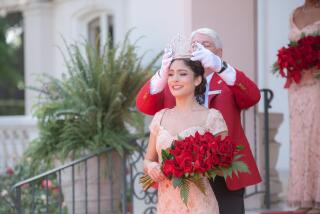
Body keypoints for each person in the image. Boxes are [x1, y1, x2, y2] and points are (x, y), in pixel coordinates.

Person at [136, 28, 262, 214]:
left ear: (219, 53)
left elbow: (252, 96)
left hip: (223, 173)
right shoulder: (176, 83)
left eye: (206, 45)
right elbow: (144, 105)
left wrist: (220, 66)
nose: (199, 50)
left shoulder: (227, 80)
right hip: (180, 182)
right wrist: (162, 75)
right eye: (195, 45)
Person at [144, 57, 227, 213]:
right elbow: (148, 159)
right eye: (170, 74)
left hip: (200, 206)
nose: (174, 79)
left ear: (197, 80)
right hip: (167, 204)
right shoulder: (160, 117)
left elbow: (223, 167)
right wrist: (152, 167)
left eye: (182, 74)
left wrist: (195, 165)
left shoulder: (212, 117)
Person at [287, 1, 320, 213]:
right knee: (298, 138)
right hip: (297, 85)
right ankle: (303, 197)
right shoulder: (294, 13)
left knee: (317, 136)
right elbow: (291, 47)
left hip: (318, 82)